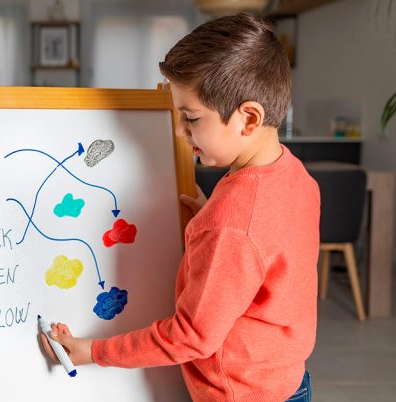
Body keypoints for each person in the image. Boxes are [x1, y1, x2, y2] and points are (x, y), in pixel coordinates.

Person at [40, 13, 319, 402]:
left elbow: (191, 336)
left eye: (191, 119)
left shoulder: (231, 224)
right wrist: (214, 213)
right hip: (287, 381)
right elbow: (266, 247)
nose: (178, 131)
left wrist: (94, 351)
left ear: (249, 119)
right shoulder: (294, 174)